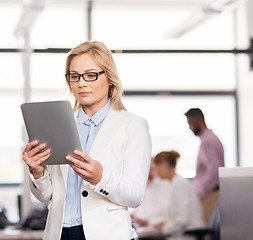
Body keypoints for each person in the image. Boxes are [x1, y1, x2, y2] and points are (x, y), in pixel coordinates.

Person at [22, 41, 151, 240]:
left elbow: (135, 196)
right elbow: (46, 196)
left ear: (109, 78)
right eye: (75, 76)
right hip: (59, 234)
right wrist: (37, 172)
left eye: (91, 75)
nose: (82, 83)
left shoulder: (133, 125)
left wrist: (100, 177)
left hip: (108, 234)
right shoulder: (58, 124)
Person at [184, 108, 224, 224]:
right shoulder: (211, 138)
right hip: (210, 192)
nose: (190, 127)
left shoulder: (207, 141)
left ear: (198, 120)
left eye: (190, 123)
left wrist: (198, 192)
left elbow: (213, 173)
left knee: (204, 230)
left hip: (209, 194)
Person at [153, 151, 205, 240]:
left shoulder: (179, 184)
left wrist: (164, 229)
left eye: (157, 168)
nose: (156, 173)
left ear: (164, 164)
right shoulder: (172, 184)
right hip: (180, 234)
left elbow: (182, 219)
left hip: (188, 235)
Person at [130, 161, 171, 230]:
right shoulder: (141, 185)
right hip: (139, 227)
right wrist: (133, 215)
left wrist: (148, 221)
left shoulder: (164, 185)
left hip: (155, 229)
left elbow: (164, 214)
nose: (149, 171)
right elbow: (136, 207)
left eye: (151, 169)